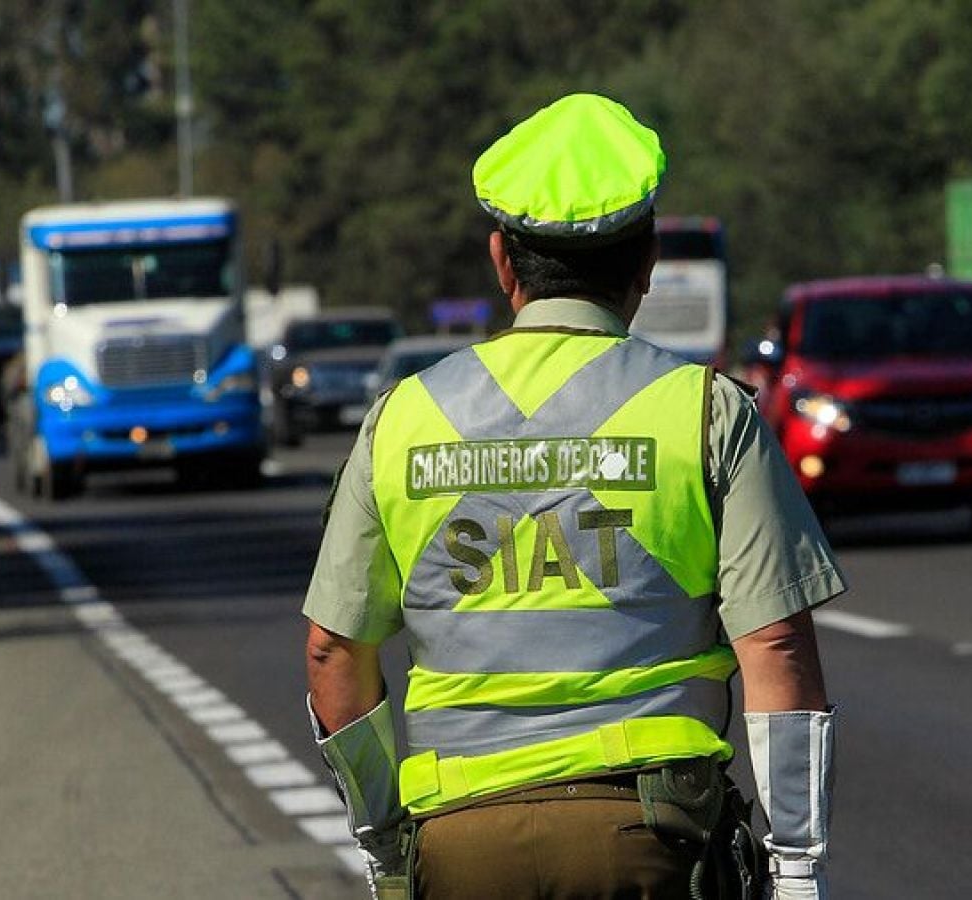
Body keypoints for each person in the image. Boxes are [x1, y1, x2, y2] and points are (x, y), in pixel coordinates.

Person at [304, 92, 844, 899]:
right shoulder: (705, 409)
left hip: (460, 839)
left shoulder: (402, 419)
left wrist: (389, 845)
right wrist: (796, 867)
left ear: (502, 260)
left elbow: (332, 653)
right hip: (653, 837)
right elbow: (776, 649)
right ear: (647, 263)